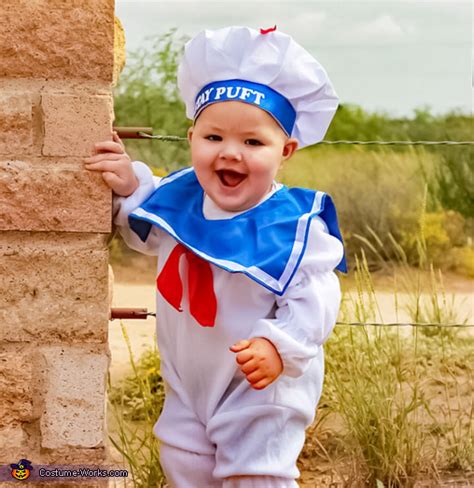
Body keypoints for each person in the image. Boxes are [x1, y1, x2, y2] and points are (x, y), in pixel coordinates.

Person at [85, 25, 346, 488]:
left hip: (259, 384)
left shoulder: (293, 224)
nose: (230, 153)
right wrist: (128, 185)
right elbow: (145, 231)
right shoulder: (181, 195)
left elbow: (316, 299)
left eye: (253, 142)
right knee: (184, 461)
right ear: (192, 138)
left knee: (255, 474)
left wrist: (279, 346)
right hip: (190, 381)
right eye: (213, 138)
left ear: (285, 151)